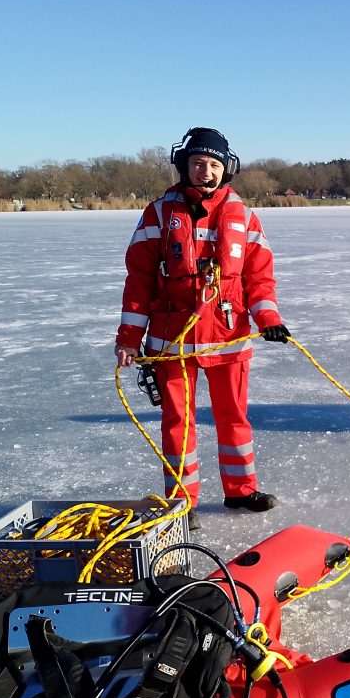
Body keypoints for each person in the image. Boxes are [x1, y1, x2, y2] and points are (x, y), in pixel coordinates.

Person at [115, 127, 291, 529]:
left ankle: (241, 491)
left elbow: (259, 278)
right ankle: (181, 502)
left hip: (228, 337)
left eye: (214, 165)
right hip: (171, 342)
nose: (205, 172)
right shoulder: (158, 213)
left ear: (226, 169)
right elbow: (138, 279)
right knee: (178, 423)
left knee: (234, 419)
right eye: (198, 163)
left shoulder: (244, 216)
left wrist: (269, 319)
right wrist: (128, 338)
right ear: (184, 165)